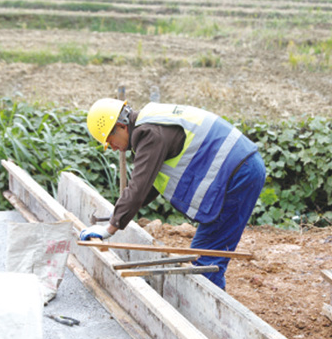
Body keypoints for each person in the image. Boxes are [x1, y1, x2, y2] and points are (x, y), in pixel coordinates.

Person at [79, 98, 266, 291]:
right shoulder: (151, 123)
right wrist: (118, 215)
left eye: (110, 141)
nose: (113, 148)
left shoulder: (150, 134)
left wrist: (110, 228)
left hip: (239, 174)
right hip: (240, 168)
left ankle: (211, 308)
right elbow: (147, 186)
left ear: (121, 127)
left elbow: (139, 187)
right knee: (205, 255)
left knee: (207, 261)